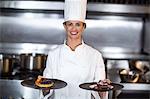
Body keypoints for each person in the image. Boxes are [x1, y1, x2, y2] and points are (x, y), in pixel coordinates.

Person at [40, 0, 110, 99]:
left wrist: (104, 87)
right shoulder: (54, 54)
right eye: (70, 24)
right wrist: (44, 87)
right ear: (65, 26)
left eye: (78, 24)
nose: (74, 29)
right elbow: (46, 91)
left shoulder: (95, 55)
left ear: (83, 27)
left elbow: (100, 93)